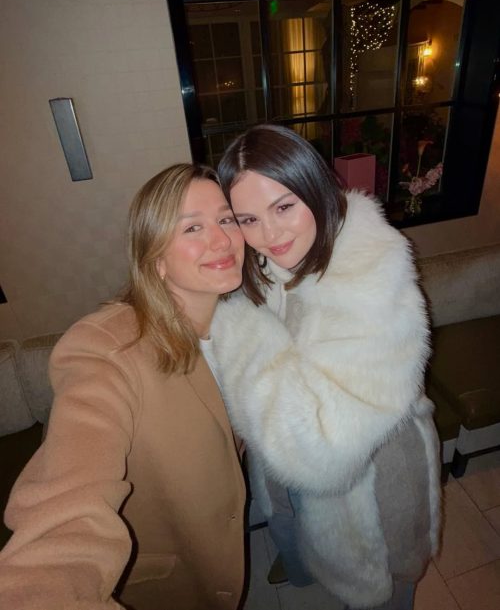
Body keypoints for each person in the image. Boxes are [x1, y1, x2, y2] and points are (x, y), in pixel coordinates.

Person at [207, 125, 442, 610]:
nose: (270, 235)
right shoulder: (272, 262)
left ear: (314, 188)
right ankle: (299, 564)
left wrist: (236, 327)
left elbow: (319, 453)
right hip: (283, 445)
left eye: (284, 207)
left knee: (384, 583)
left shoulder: (369, 280)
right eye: (248, 219)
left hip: (375, 470)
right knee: (289, 520)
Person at [0, 164, 247, 610]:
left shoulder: (236, 323)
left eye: (226, 219)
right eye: (192, 227)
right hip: (172, 582)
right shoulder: (105, 346)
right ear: (155, 258)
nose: (222, 240)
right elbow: (66, 510)